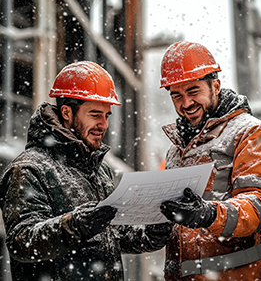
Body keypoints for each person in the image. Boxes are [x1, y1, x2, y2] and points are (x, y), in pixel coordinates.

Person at [0, 61, 172, 281]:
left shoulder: (99, 171)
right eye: (94, 114)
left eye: (106, 116)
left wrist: (156, 227)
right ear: (67, 113)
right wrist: (76, 225)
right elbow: (21, 242)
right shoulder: (29, 169)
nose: (104, 124)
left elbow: (116, 235)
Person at [158, 41, 261, 280]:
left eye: (193, 91)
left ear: (215, 86)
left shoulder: (252, 134)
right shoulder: (176, 151)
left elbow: (260, 205)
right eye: (177, 96)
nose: (186, 104)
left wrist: (209, 215)